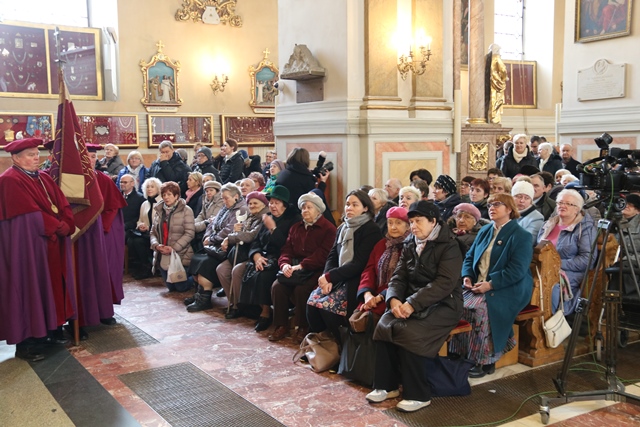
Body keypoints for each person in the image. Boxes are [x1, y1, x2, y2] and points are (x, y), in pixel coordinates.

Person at [367, 200, 462, 413]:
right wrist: (393, 299)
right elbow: (399, 276)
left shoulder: (449, 245)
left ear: (433, 221)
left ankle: (418, 394)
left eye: (418, 221)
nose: (413, 226)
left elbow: (444, 283)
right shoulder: (411, 242)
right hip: (413, 300)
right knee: (385, 324)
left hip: (445, 303)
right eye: (411, 222)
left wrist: (412, 303)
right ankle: (387, 386)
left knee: (411, 332)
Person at [0, 138, 75, 361]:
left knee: (49, 287)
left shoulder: (43, 177)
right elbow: (27, 216)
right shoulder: (10, 180)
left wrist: (67, 222)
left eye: (36, 154)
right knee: (29, 288)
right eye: (30, 155)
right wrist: (57, 226)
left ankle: (48, 333)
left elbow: (62, 203)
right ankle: (27, 344)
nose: (36, 158)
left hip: (49, 244)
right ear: (16, 158)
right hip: (28, 249)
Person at [451, 193, 533, 379]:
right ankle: (463, 354)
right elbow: (470, 257)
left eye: (497, 204)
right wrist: (467, 276)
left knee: (478, 309)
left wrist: (490, 284)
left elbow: (517, 270)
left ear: (509, 209)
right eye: (489, 205)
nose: (491, 208)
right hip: (479, 283)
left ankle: (485, 359)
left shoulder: (521, 236)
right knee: (456, 304)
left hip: (508, 287)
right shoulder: (485, 230)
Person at [307, 190, 383, 343]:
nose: (349, 208)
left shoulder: (371, 229)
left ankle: (342, 345)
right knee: (312, 304)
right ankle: (323, 344)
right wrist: (327, 278)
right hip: (338, 276)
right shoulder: (343, 227)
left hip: (356, 278)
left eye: (355, 205)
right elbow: (332, 256)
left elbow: (359, 263)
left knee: (329, 308)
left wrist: (330, 277)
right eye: (348, 204)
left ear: (365, 208)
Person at [269, 192, 337, 342]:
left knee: (302, 289)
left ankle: (302, 327)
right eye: (303, 207)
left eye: (309, 207)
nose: (305, 210)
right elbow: (286, 249)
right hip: (295, 268)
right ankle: (281, 325)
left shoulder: (329, 229)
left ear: (318, 210)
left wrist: (301, 266)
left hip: (316, 269)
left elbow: (323, 254)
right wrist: (285, 264)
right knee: (277, 286)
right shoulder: (296, 227)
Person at [239, 185, 301, 331]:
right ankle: (246, 307)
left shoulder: (294, 220)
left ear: (284, 204)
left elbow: (288, 245)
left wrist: (273, 229)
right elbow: (256, 242)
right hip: (264, 256)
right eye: (271, 203)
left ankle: (265, 313)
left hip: (282, 259)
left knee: (263, 276)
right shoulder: (268, 217)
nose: (272, 206)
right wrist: (256, 256)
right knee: (239, 270)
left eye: (276, 203)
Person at [187, 183, 248, 311]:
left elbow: (229, 230)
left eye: (226, 198)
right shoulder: (226, 208)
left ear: (236, 196)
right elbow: (212, 224)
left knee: (206, 264)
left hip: (227, 248)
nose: (224, 201)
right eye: (223, 198)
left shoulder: (241, 210)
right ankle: (200, 294)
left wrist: (212, 239)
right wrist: (207, 237)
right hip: (214, 244)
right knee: (196, 258)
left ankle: (205, 299)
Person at [537, 189, 596, 315]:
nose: (562, 206)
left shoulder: (585, 228)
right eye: (560, 202)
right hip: (542, 268)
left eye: (568, 204)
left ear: (577, 209)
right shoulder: (548, 224)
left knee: (549, 286)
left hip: (570, 272)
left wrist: (555, 264)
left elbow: (587, 260)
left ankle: (548, 322)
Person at [217, 191, 270, 319]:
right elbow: (241, 234)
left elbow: (251, 236)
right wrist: (236, 231)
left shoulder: (265, 218)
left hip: (253, 253)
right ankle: (234, 302)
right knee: (221, 269)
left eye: (255, 203)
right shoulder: (249, 216)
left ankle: (241, 305)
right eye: (250, 203)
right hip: (241, 252)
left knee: (237, 271)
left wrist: (229, 238)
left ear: (263, 204)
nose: (252, 205)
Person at [356, 207, 411, 320]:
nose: (393, 227)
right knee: (358, 317)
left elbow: (406, 278)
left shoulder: (410, 246)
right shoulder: (381, 245)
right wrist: (367, 293)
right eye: (390, 223)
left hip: (396, 296)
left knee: (370, 319)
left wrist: (381, 296)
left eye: (398, 223)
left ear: (407, 225)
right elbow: (369, 271)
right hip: (373, 294)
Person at [150, 181, 196, 292]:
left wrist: (173, 248)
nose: (166, 197)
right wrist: (156, 245)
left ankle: (196, 278)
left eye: (169, 194)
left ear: (176, 196)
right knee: (171, 287)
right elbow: (153, 232)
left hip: (180, 253)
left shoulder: (186, 210)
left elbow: (190, 233)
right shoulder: (159, 210)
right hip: (162, 253)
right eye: (164, 195)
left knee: (181, 287)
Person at [128, 177, 163, 280]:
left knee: (138, 242)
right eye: (147, 187)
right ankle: (141, 265)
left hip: (157, 233)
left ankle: (147, 267)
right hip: (146, 232)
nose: (149, 189)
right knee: (131, 240)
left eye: (152, 187)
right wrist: (140, 225)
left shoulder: (162, 202)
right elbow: (140, 220)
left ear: (158, 189)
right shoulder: (145, 203)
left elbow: (163, 222)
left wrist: (149, 227)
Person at [512, 180, 544, 245]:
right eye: (519, 196)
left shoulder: (537, 218)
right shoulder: (505, 212)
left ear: (531, 201)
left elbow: (527, 241)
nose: (522, 200)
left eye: (527, 198)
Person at [487, 44, 507, 124]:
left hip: (488, 81)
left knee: (491, 100)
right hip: (496, 81)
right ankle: (495, 119)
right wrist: (504, 78)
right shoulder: (496, 57)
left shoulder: (487, 58)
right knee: (497, 101)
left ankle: (490, 117)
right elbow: (503, 69)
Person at [120, 173, 145, 237]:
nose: (122, 184)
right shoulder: (116, 196)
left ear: (132, 183)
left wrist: (125, 225)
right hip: (117, 226)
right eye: (121, 182)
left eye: (125, 182)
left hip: (131, 229)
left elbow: (139, 217)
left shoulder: (140, 198)